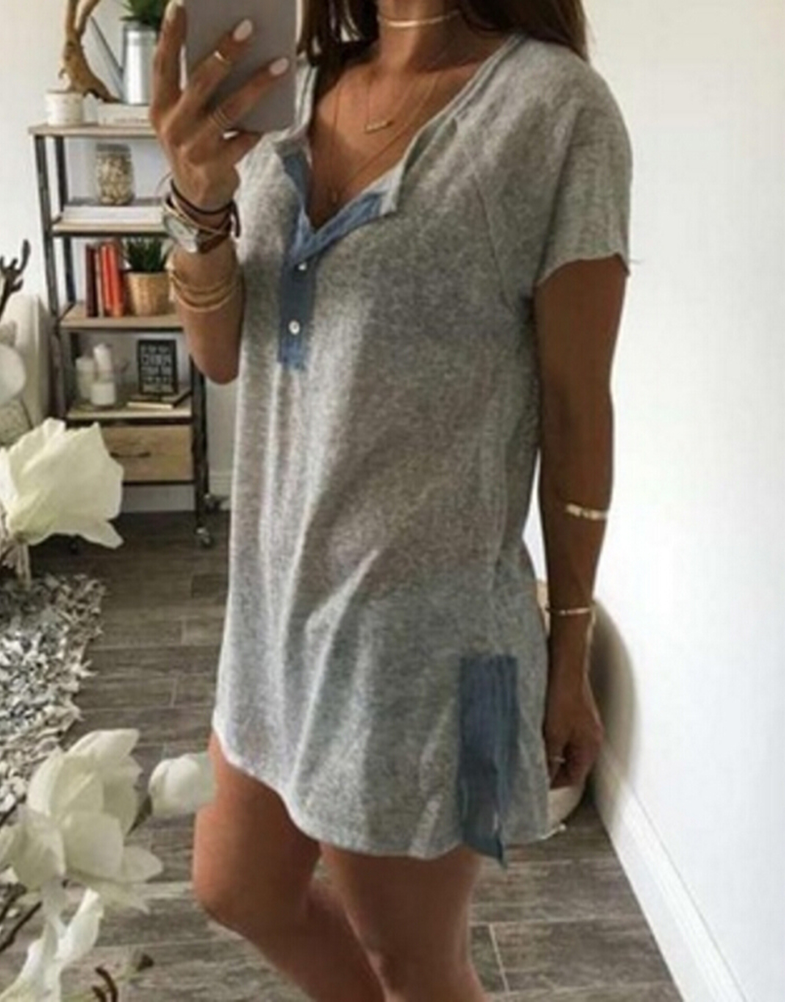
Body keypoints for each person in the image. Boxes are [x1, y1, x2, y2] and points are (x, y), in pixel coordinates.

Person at [150, 0, 630, 999]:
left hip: (421, 638)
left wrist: (569, 651)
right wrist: (198, 200)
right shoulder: (295, 90)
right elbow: (220, 354)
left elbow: (577, 407)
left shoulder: (555, 111)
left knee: (413, 963)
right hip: (272, 610)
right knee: (237, 889)